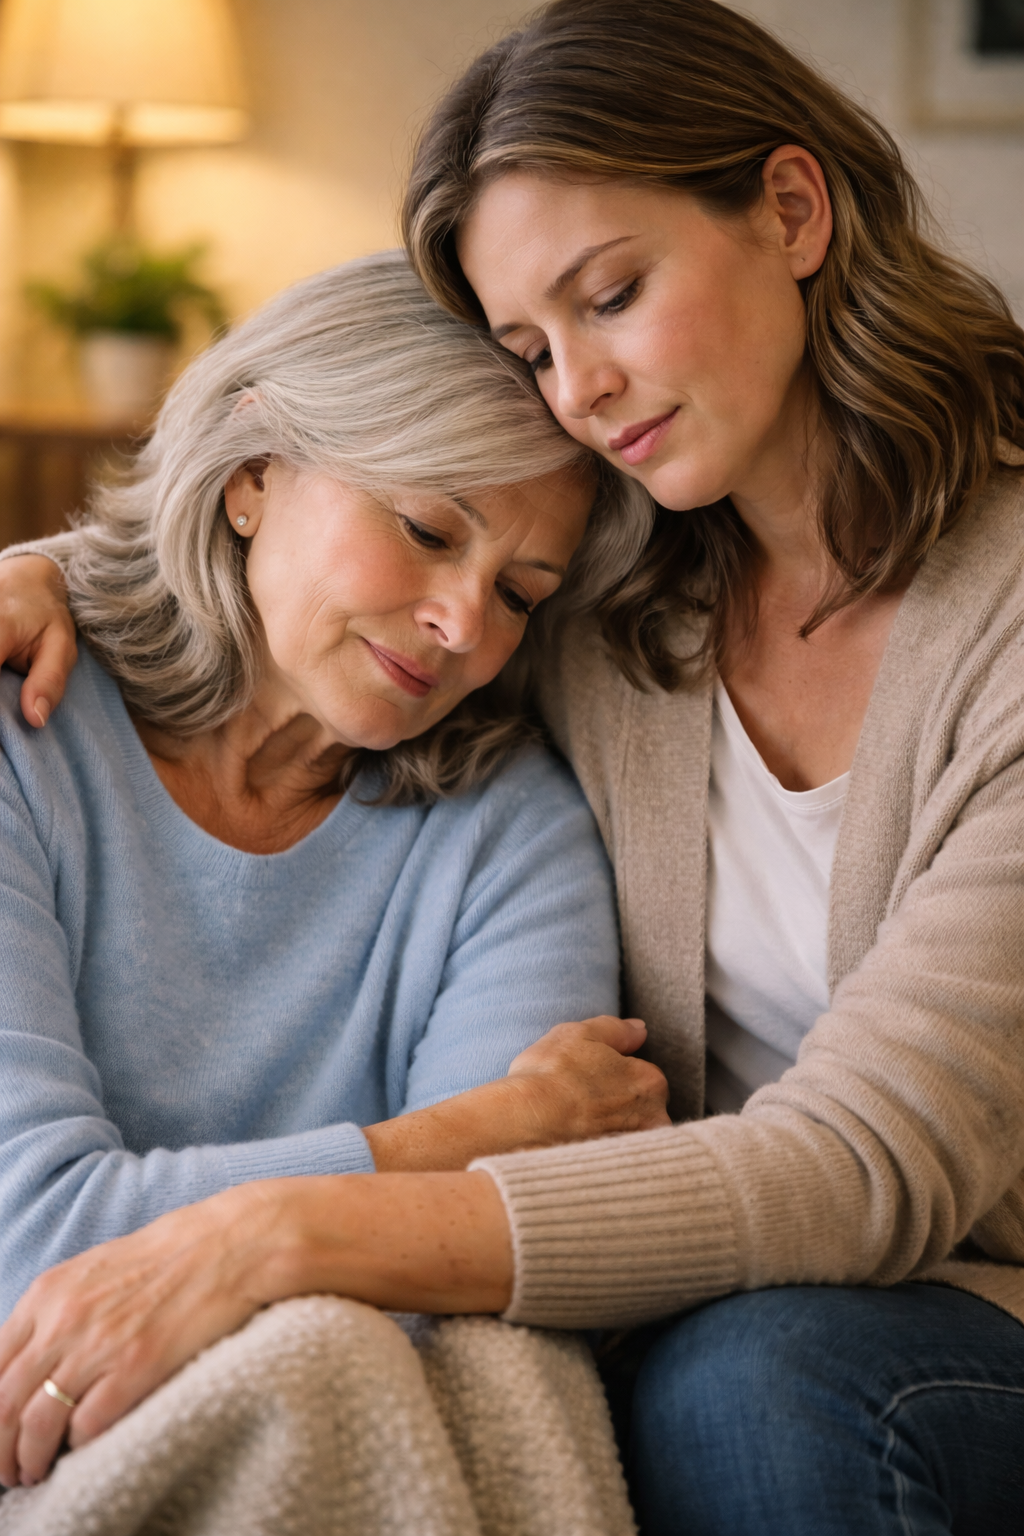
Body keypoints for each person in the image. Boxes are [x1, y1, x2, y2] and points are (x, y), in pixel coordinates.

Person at [2, 1, 1023, 1530]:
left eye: (612, 297)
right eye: (531, 349)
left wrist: (287, 1231)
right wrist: (52, 573)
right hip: (676, 1281)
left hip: (945, 1294)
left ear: (794, 213)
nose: (579, 394)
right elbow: (328, 557)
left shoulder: (994, 622)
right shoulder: (604, 602)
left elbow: (865, 1161)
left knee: (751, 1380)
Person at [0, 248, 672, 1491]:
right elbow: (32, 1246)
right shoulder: (23, 728)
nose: (465, 625)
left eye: (521, 593)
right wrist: (495, 1122)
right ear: (252, 476)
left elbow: (497, 1267)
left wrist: (266, 1246)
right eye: (424, 530)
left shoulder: (508, 829)